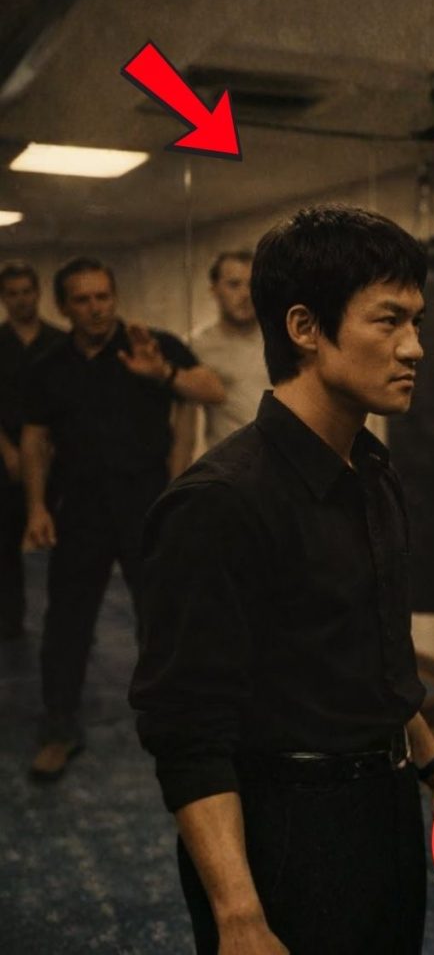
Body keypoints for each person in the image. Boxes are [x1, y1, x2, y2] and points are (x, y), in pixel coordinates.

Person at [129, 205, 434, 955]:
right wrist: (238, 915)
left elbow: (369, 656)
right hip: (283, 833)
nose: (415, 346)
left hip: (384, 812)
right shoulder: (217, 504)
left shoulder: (373, 470)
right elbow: (186, 732)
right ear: (305, 327)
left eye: (417, 321)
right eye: (389, 321)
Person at [21, 257, 224, 780]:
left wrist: (163, 373)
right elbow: (35, 438)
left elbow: (211, 389)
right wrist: (36, 506)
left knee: (161, 617)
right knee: (66, 623)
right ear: (63, 307)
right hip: (80, 507)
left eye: (103, 297)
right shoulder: (48, 364)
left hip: (147, 502)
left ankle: (174, 723)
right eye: (83, 300)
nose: (96, 308)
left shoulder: (148, 345)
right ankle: (59, 728)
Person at [0, 261, 65, 640]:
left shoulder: (60, 343)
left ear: (38, 293)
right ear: (3, 298)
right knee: (5, 545)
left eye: (27, 291)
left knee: (66, 546)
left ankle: (67, 622)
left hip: (55, 457)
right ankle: (10, 621)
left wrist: (48, 450)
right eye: (13, 294)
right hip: (4, 458)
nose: (21, 300)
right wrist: (10, 453)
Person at [190, 249, 269, 450]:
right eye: (234, 285)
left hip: (283, 457)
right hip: (232, 461)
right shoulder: (197, 346)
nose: (245, 294)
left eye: (252, 285)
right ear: (214, 290)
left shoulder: (281, 339)